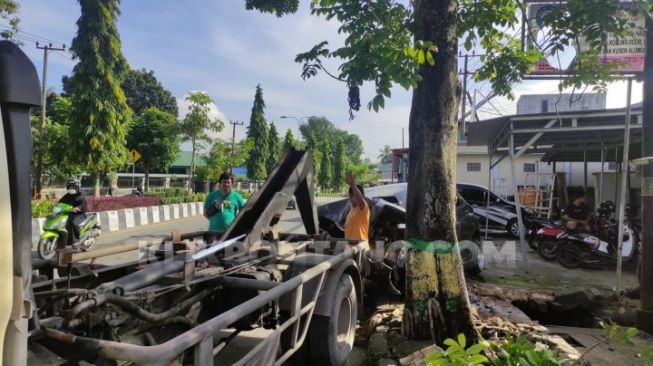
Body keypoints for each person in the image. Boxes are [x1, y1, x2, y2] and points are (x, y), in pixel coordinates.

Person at [58, 179, 87, 245]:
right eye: (70, 187)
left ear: (77, 187)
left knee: (74, 223)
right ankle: (66, 241)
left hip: (79, 214)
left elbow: (83, 205)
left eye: (73, 187)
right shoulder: (66, 196)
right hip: (68, 214)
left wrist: (78, 208)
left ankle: (77, 240)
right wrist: (55, 207)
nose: (71, 188)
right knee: (62, 224)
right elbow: (60, 203)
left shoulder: (80, 195)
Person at [344, 171, 370, 241]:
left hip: (359, 245)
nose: (351, 198)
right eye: (350, 196)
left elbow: (360, 200)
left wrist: (353, 185)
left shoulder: (363, 207)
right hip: (350, 244)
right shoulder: (352, 209)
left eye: (353, 196)